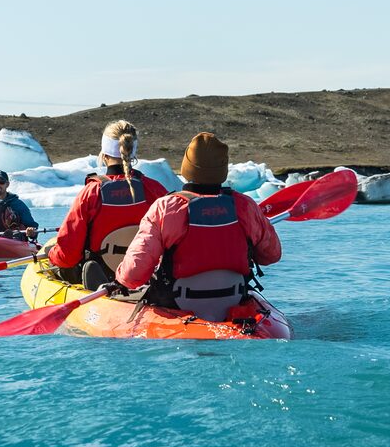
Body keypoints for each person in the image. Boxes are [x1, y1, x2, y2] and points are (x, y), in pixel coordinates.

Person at [114, 132, 282, 321]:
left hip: (178, 304)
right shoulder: (246, 206)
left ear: (187, 168)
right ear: (222, 169)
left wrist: (119, 281)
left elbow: (133, 274)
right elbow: (272, 255)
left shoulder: (165, 208)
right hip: (232, 299)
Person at [44, 120, 170, 288]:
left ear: (103, 154)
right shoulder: (155, 190)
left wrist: (51, 254)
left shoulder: (91, 193)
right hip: (145, 276)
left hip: (102, 275)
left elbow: (69, 255)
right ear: (133, 153)